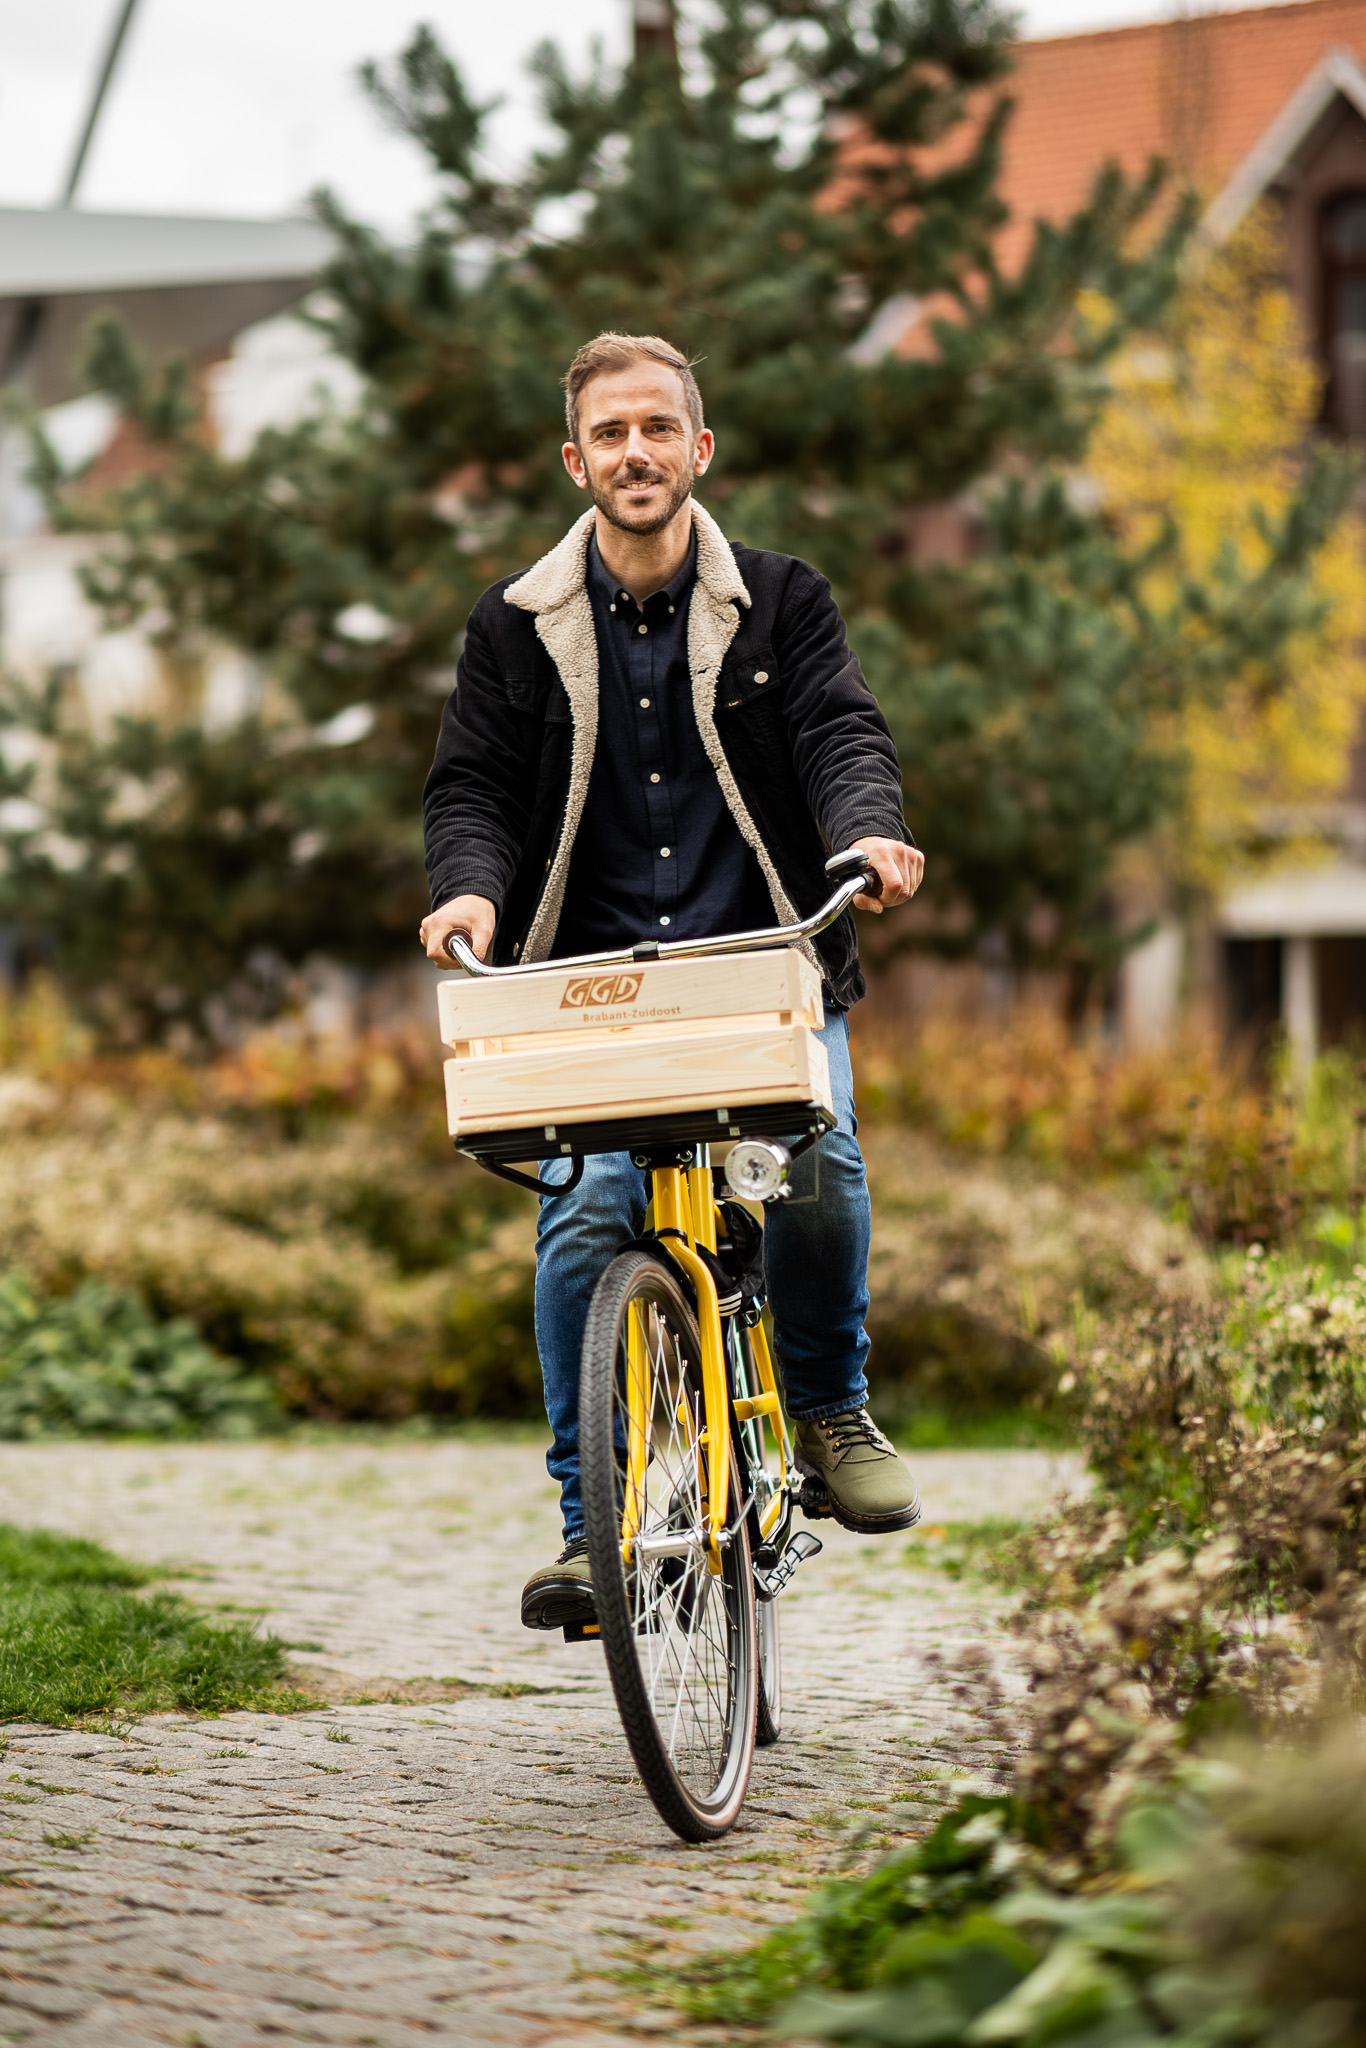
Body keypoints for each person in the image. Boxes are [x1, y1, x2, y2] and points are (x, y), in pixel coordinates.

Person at [422, 332, 926, 1632]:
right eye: (610, 434)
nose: (634, 453)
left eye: (658, 428)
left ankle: (823, 1408)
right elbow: (470, 785)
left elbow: (835, 728)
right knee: (585, 1222)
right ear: (575, 459)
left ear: (698, 448)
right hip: (587, 990)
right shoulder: (515, 626)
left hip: (759, 967)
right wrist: (468, 889)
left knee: (818, 1169)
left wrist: (864, 832)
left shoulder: (779, 599)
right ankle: (596, 1533)